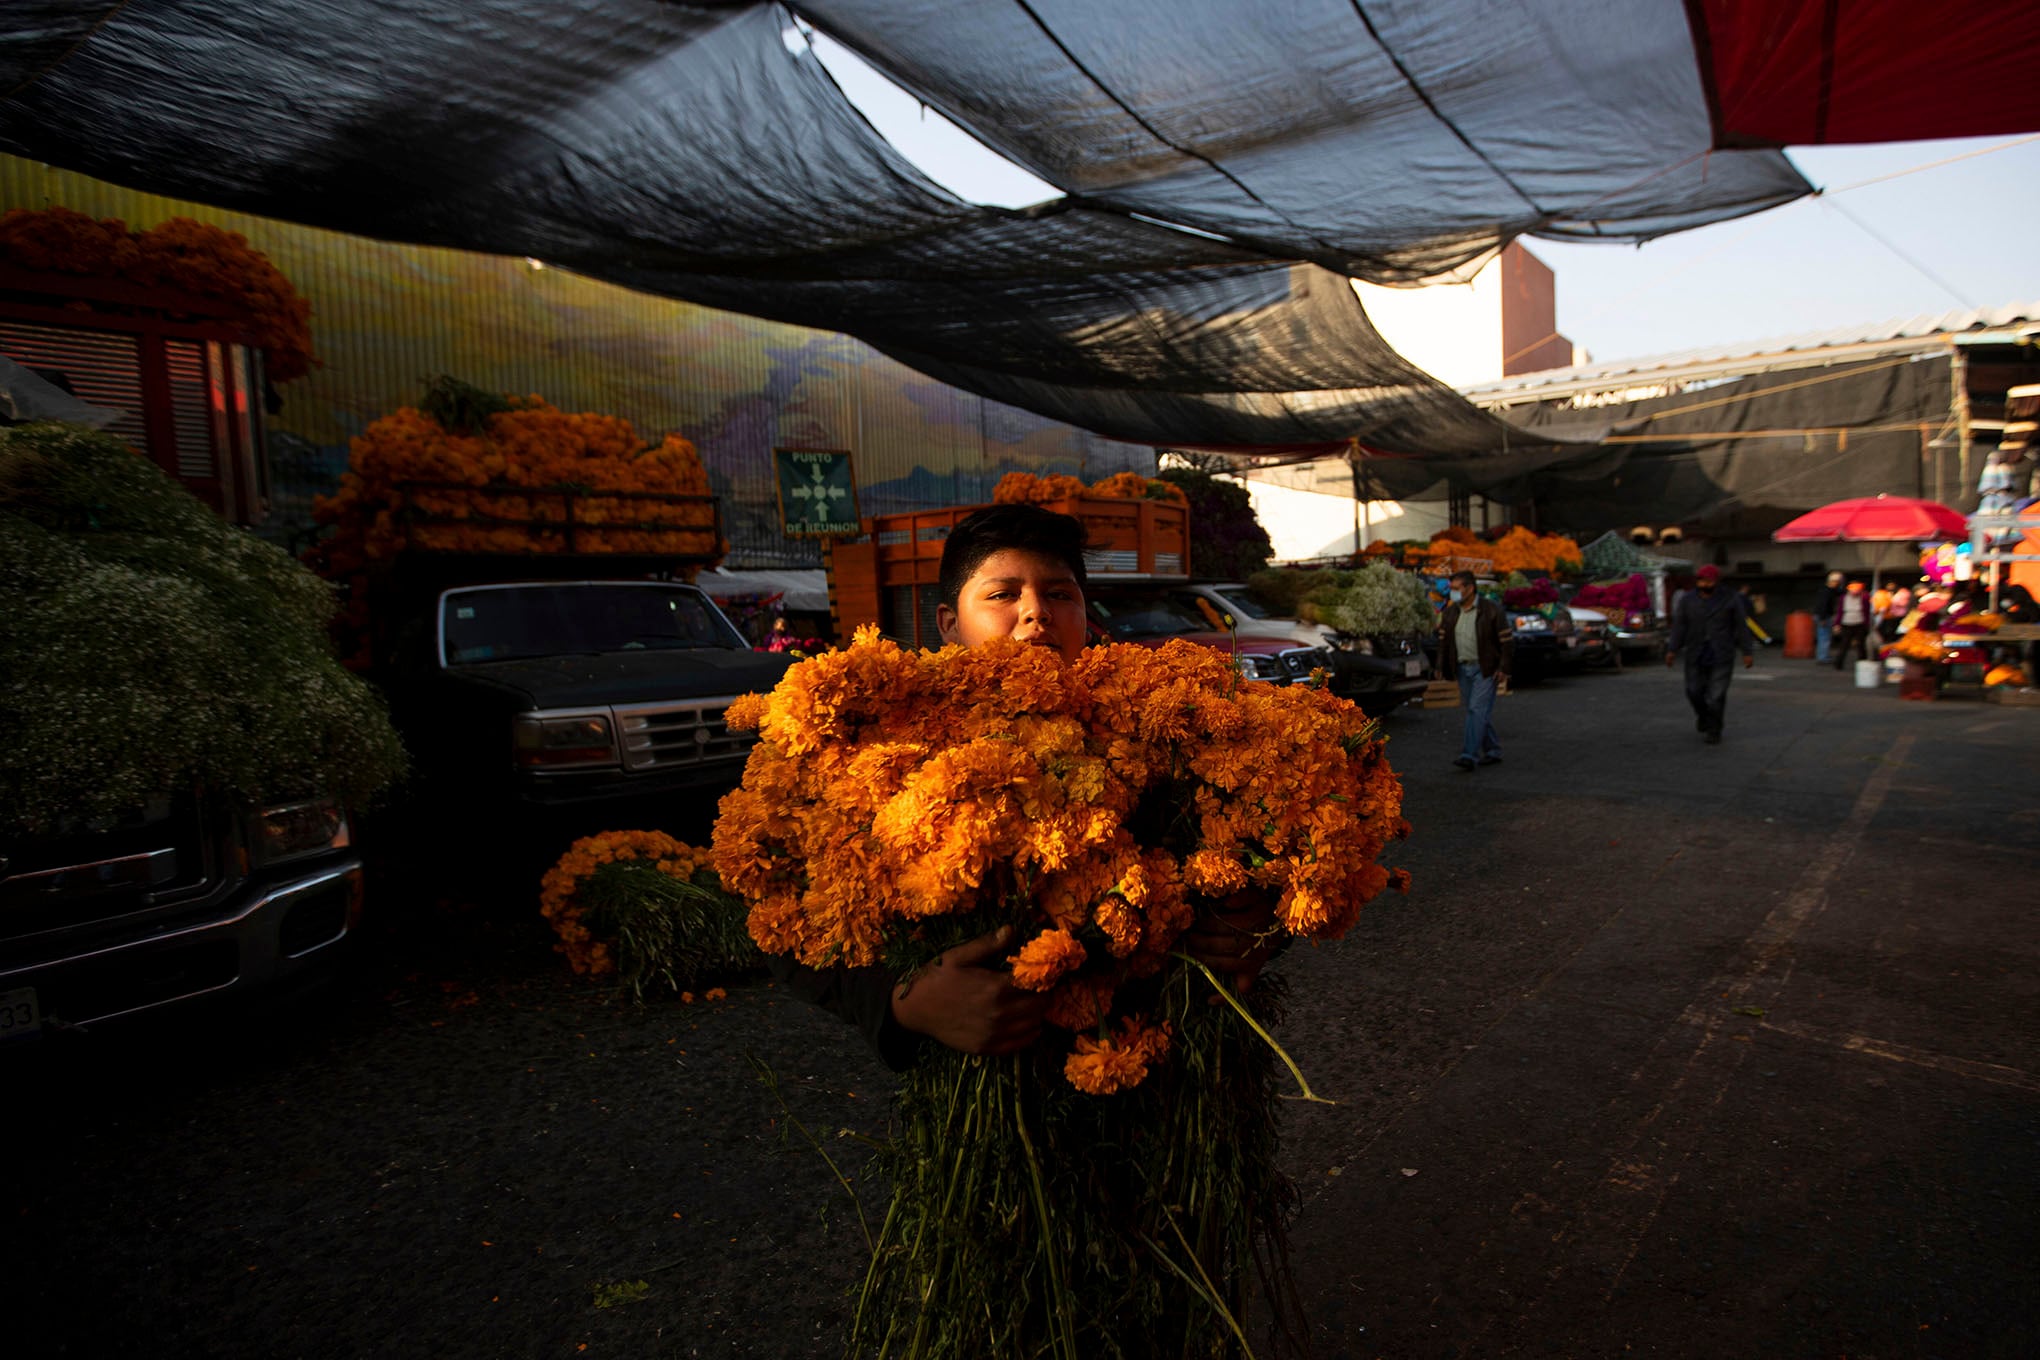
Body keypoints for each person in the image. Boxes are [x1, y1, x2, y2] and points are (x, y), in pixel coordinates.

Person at [772, 503, 1277, 1069]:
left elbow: (1267, 842)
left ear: (1087, 614)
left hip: (1178, 1066)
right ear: (946, 624)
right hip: (985, 1077)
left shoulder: (1160, 733)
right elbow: (785, 924)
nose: (1036, 612)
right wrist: (902, 1003)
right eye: (1002, 594)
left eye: (1060, 594)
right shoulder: (880, 746)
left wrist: (1255, 917)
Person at [1665, 564, 1753, 744]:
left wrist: (1747, 651)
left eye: (1708, 581)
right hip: (1695, 651)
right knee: (1693, 691)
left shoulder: (1730, 598)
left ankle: (1714, 729)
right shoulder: (1688, 600)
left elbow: (1741, 626)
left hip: (1721, 652)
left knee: (1716, 695)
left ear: (1716, 581)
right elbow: (1680, 626)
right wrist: (1672, 649)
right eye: (1701, 580)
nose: (1704, 584)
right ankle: (1703, 716)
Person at [1436, 569, 1513, 771]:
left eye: (1455, 588)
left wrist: (1504, 667)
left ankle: (1469, 754)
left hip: (1485, 669)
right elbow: (1443, 642)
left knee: (1475, 710)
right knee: (1477, 712)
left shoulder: (1492, 610)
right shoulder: (1451, 613)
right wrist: (1440, 667)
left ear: (1470, 589)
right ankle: (1493, 749)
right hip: (1463, 668)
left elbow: (1506, 642)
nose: (1452, 592)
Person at [1832, 578, 1874, 671]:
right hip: (1847, 623)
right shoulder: (1844, 598)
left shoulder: (1864, 597)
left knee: (1861, 645)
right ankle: (1838, 663)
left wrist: (1867, 624)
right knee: (1844, 644)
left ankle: (1862, 663)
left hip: (1860, 623)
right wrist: (1837, 624)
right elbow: (1840, 611)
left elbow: (1867, 612)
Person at [1811, 570, 1843, 663]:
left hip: (1823, 616)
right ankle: (1823, 657)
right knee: (1824, 637)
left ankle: (1823, 656)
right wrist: (1822, 618)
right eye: (1838, 582)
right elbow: (1823, 605)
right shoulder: (1826, 592)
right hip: (1824, 616)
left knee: (1824, 637)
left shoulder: (1828, 590)